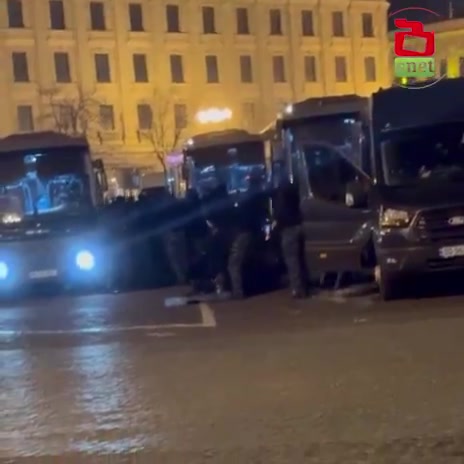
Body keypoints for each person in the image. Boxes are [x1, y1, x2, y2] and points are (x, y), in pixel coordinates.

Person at [273, 180, 307, 298]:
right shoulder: (294, 192)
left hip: (288, 230)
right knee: (299, 260)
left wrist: (276, 227)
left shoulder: (282, 196)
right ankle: (303, 287)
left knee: (292, 261)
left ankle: (297, 290)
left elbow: (280, 214)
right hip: (299, 226)